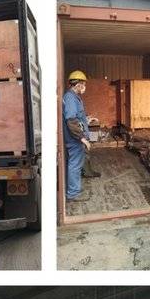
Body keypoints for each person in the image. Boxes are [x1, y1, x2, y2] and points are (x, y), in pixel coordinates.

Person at [62, 70, 93, 202]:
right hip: (74, 140)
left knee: (76, 164)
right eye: (83, 84)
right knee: (75, 165)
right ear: (78, 84)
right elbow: (71, 120)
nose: (84, 87)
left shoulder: (74, 97)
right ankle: (73, 194)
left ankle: (74, 189)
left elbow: (77, 117)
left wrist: (87, 120)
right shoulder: (70, 98)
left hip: (75, 139)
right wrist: (82, 138)